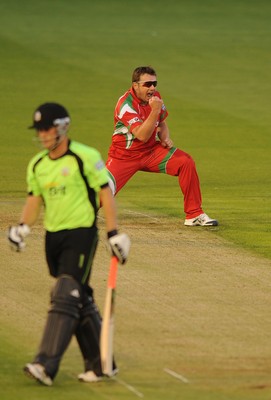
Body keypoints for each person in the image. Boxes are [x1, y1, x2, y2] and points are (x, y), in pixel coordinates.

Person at [8, 102, 131, 386]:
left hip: (82, 234)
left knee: (65, 291)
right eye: (39, 130)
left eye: (47, 128)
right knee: (79, 296)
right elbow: (33, 200)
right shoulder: (37, 164)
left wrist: (114, 234)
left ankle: (45, 364)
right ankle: (101, 364)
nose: (42, 135)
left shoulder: (85, 156)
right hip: (54, 237)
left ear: (62, 127)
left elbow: (105, 194)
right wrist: (22, 228)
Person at [106, 66, 218, 226]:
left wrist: (164, 137)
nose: (152, 88)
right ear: (135, 85)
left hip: (151, 151)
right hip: (124, 157)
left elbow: (162, 122)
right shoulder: (125, 105)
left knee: (185, 162)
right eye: (147, 84)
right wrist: (155, 109)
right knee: (97, 199)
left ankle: (194, 214)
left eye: (154, 83)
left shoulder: (155, 97)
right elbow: (142, 135)